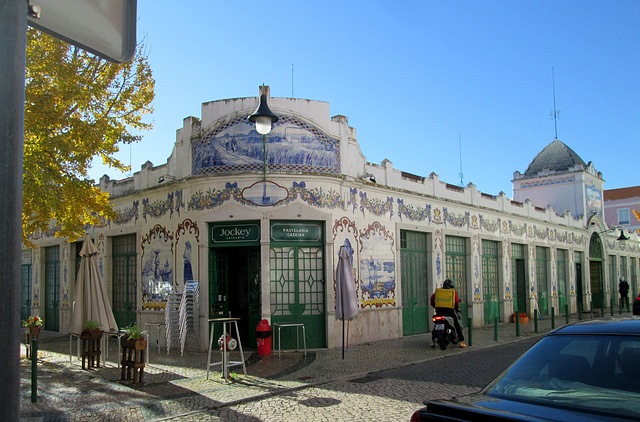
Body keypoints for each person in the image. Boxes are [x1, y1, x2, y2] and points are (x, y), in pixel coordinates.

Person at [430, 279, 466, 348]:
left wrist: (435, 306)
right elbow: (456, 301)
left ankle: (432, 341)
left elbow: (432, 299)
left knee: (436, 325)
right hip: (450, 311)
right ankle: (462, 341)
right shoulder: (453, 291)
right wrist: (456, 307)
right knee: (456, 324)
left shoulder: (439, 291)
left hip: (439, 311)